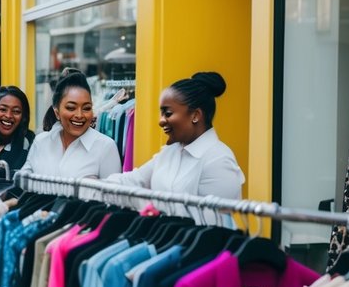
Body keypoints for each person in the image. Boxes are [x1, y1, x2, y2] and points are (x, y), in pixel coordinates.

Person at [109, 71, 244, 199]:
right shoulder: (170, 152)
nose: (161, 121)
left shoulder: (218, 161)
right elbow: (134, 181)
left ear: (195, 115)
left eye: (168, 114)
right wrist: (91, 185)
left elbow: (212, 220)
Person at [25, 70, 121, 179]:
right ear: (57, 113)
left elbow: (113, 195)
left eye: (86, 108)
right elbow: (24, 182)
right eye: (71, 108)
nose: (79, 115)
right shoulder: (41, 142)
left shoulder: (106, 147)